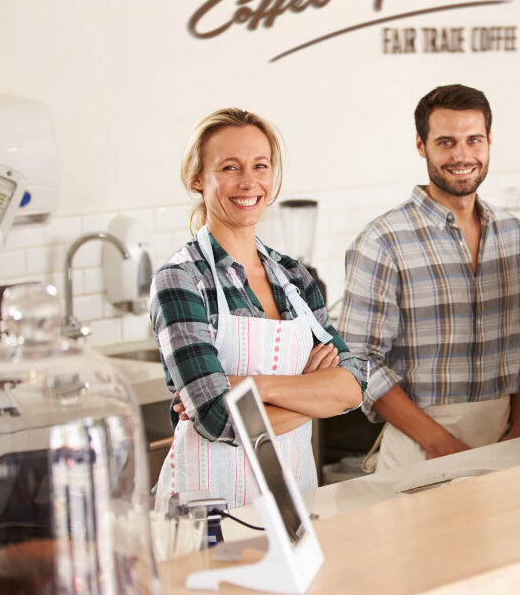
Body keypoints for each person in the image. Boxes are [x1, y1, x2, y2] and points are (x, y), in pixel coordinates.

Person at [150, 108, 365, 509]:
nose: (249, 182)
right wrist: (316, 397)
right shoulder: (181, 281)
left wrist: (253, 388)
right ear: (197, 178)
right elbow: (218, 417)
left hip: (294, 502)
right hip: (209, 508)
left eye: (260, 166)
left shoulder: (294, 277)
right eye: (230, 167)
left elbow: (354, 385)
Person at [339, 84, 520, 472]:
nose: (462, 155)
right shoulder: (383, 240)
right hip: (420, 447)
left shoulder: (514, 233)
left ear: (489, 142)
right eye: (446, 142)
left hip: (505, 441)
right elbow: (360, 363)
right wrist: (441, 443)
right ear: (422, 145)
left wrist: (519, 428)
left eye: (473, 140)